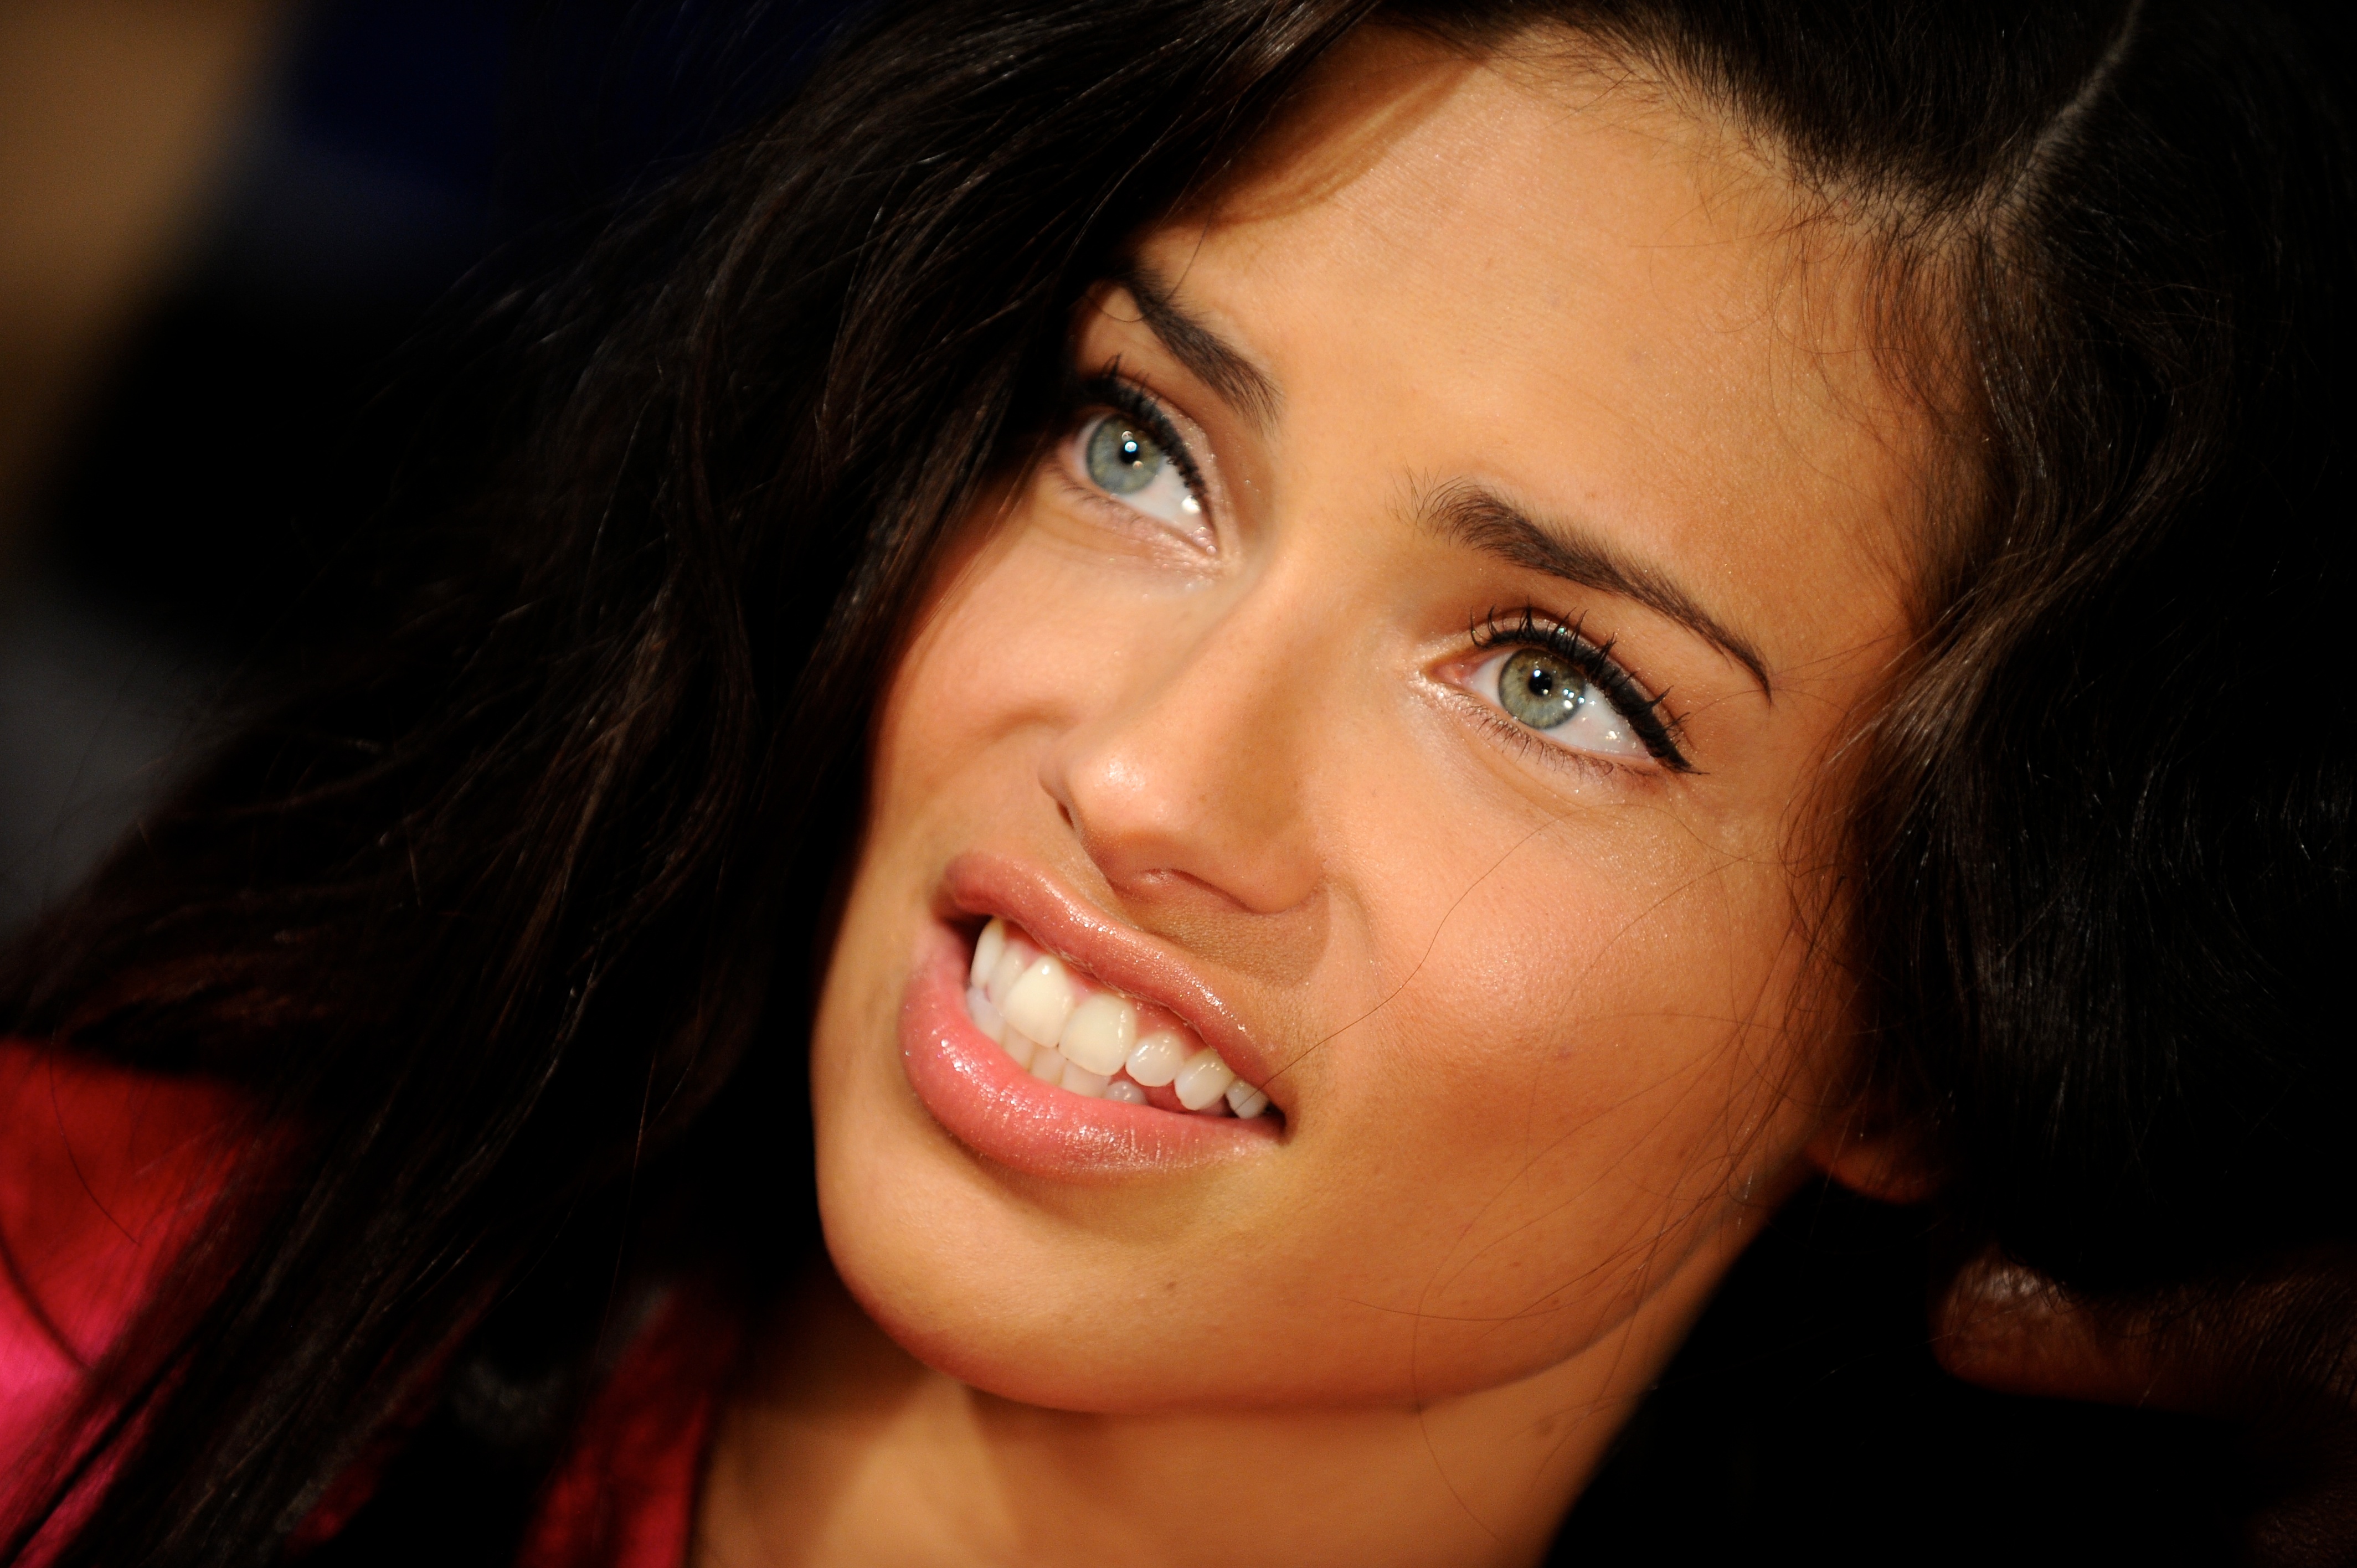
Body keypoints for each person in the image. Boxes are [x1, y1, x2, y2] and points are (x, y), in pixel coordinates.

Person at [3, 0, 2351, 1563]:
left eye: (1548, 681)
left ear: (1939, 1021)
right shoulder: (83, 1316)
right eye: (1140, 447)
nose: (1143, 772)